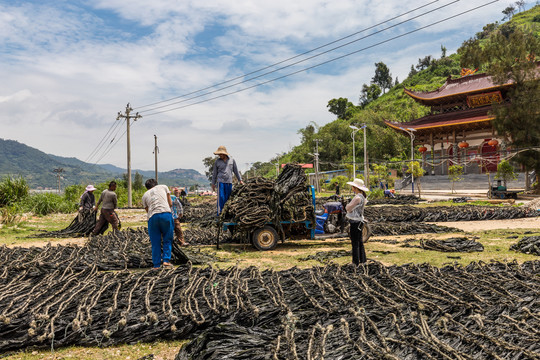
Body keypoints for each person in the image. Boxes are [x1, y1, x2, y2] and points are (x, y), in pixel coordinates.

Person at [142, 179, 174, 269]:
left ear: (147, 187)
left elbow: (148, 211)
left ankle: (156, 265)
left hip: (152, 218)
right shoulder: (163, 187)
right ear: (156, 184)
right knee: (167, 238)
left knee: (155, 242)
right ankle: (166, 261)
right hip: (165, 214)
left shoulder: (144, 195)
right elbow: (170, 204)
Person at [211, 145, 244, 214]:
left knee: (228, 198)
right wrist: (213, 184)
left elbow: (236, 171)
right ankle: (220, 213)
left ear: (224, 153)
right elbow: (214, 173)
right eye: (219, 154)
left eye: (221, 154)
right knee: (221, 198)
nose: (220, 155)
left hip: (229, 182)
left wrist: (240, 180)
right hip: (220, 182)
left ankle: (226, 213)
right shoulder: (217, 162)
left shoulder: (232, 160)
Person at [345, 178, 369, 265]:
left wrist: (347, 205)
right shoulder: (362, 197)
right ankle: (363, 260)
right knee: (360, 242)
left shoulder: (357, 197)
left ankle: (355, 262)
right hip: (360, 221)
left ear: (355, 187)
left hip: (355, 222)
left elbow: (348, 208)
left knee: (355, 242)